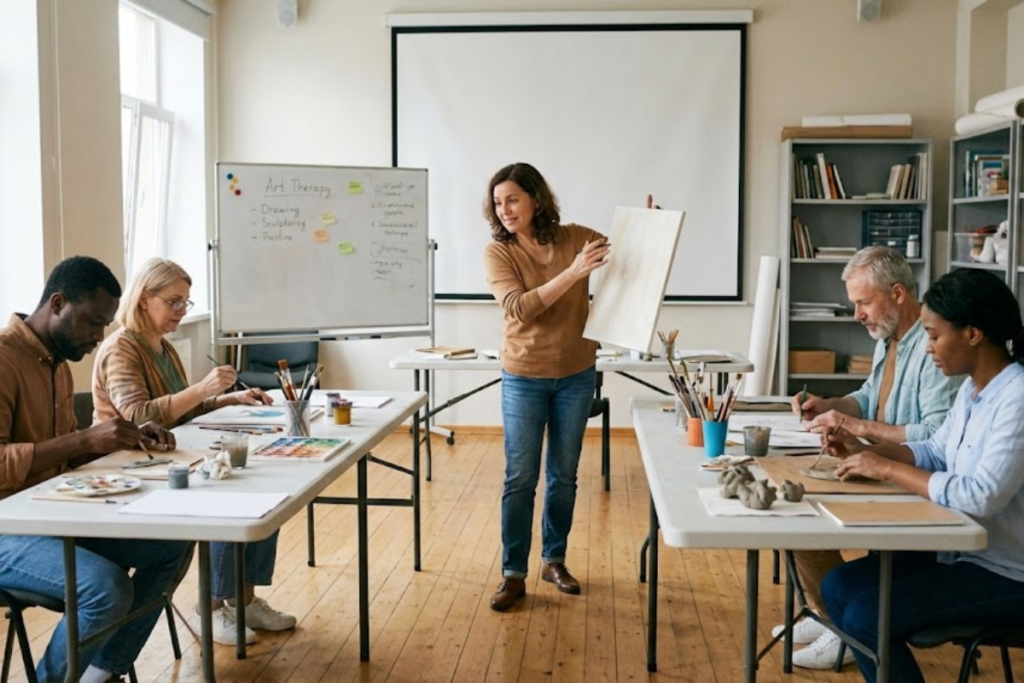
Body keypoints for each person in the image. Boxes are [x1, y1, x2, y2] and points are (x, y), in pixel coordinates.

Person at [820, 268, 1024, 683]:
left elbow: (982, 495)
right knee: (838, 586)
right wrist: (865, 453)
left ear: (973, 334)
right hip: (963, 551)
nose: (928, 348)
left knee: (865, 616)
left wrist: (888, 467)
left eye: (934, 336)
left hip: (1008, 571)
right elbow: (934, 449)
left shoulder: (1017, 397)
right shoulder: (973, 389)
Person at [0, 256, 191, 683]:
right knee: (107, 588)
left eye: (105, 325)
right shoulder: (4, 359)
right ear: (58, 303)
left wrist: (120, 436)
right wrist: (85, 440)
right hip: (7, 528)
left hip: (50, 514)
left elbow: (62, 454)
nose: (99, 337)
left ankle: (99, 673)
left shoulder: (56, 365)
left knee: (170, 546)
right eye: (92, 323)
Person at [92, 258, 295, 646]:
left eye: (186, 302)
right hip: (130, 465)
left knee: (263, 486)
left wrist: (229, 397)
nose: (181, 311)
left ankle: (243, 598)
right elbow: (139, 417)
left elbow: (183, 408)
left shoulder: (162, 346)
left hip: (169, 455)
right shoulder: (121, 347)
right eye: (174, 302)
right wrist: (203, 389)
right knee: (226, 495)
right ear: (143, 299)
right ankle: (212, 606)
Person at [777, 246, 961, 668]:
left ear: (897, 293)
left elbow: (936, 436)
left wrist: (859, 430)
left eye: (863, 302)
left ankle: (839, 626)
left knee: (804, 514)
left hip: (911, 480)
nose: (857, 314)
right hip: (881, 462)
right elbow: (867, 397)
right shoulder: (889, 337)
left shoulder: (935, 349)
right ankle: (828, 615)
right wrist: (831, 404)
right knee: (791, 506)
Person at [483, 162, 612, 611]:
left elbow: (630, 254)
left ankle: (553, 560)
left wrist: (648, 226)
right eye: (498, 203)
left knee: (564, 475)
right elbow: (520, 308)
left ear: (537, 198)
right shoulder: (498, 253)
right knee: (520, 478)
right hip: (523, 376)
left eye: (513, 199)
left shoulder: (575, 237)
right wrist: (574, 274)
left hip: (576, 373)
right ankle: (513, 573)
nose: (505, 210)